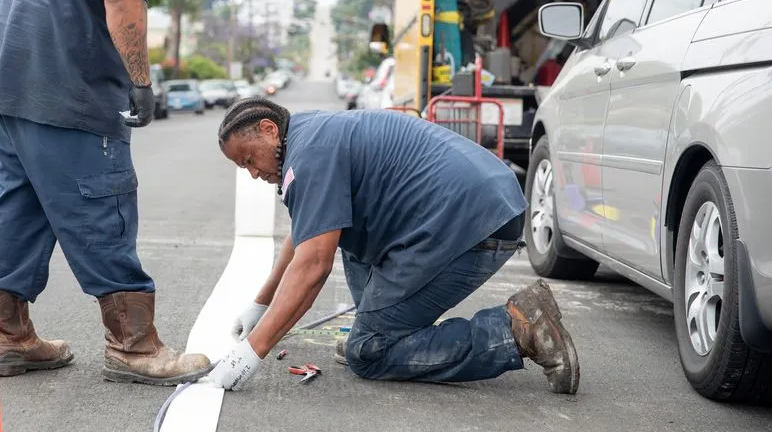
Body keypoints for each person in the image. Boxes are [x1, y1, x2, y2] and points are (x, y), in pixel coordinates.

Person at [0, 0, 212, 386]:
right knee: (101, 203)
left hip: (13, 85)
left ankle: (5, 336)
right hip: (69, 90)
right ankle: (135, 347)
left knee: (21, 210)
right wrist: (141, 81)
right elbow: (124, 5)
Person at [208, 98, 580, 395]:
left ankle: (517, 330)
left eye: (249, 160)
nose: (253, 173)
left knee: (369, 354)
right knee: (342, 238)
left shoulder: (309, 155)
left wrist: (252, 352)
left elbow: (313, 266)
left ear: (270, 130)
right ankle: (381, 330)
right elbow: (307, 231)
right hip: (470, 205)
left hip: (470, 221)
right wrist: (262, 302)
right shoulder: (309, 138)